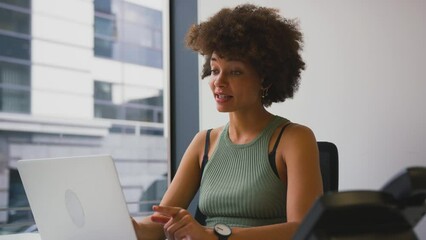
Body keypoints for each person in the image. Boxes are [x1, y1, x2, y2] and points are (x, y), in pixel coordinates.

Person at [133, 3, 323, 240]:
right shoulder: (204, 142)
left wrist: (215, 236)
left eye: (235, 72)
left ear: (264, 78)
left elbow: (302, 229)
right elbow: (161, 223)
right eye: (214, 69)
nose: (218, 82)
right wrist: (129, 226)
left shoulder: (294, 139)